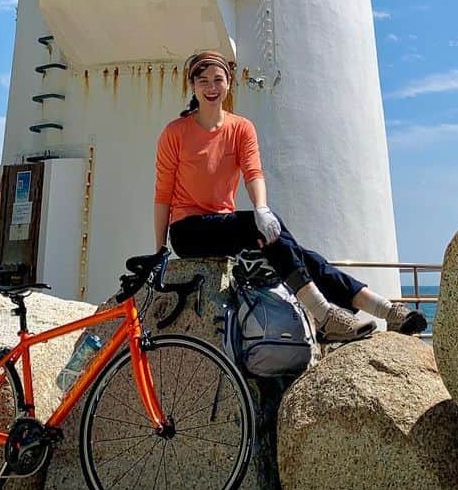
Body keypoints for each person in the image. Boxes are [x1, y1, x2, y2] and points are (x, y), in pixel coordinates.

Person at [154, 51, 428, 343]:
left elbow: (253, 172)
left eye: (218, 80)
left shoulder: (241, 128)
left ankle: (385, 310)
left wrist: (261, 208)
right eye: (203, 80)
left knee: (298, 254)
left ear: (229, 83)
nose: (211, 87)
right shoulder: (176, 133)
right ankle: (325, 314)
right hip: (188, 232)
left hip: (225, 226)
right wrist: (158, 251)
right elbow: (162, 195)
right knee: (272, 233)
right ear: (192, 86)